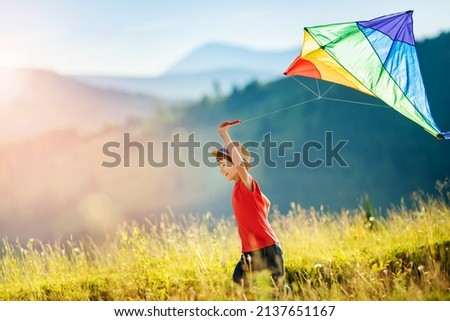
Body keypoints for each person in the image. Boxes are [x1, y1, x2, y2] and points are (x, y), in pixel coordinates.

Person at [211, 120, 285, 289]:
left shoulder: (247, 183)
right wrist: (260, 219)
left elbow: (240, 165)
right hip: (250, 253)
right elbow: (266, 202)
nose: (221, 169)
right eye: (219, 165)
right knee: (239, 285)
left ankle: (285, 293)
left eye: (224, 164)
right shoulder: (240, 189)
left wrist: (224, 135)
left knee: (276, 293)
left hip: (268, 250)